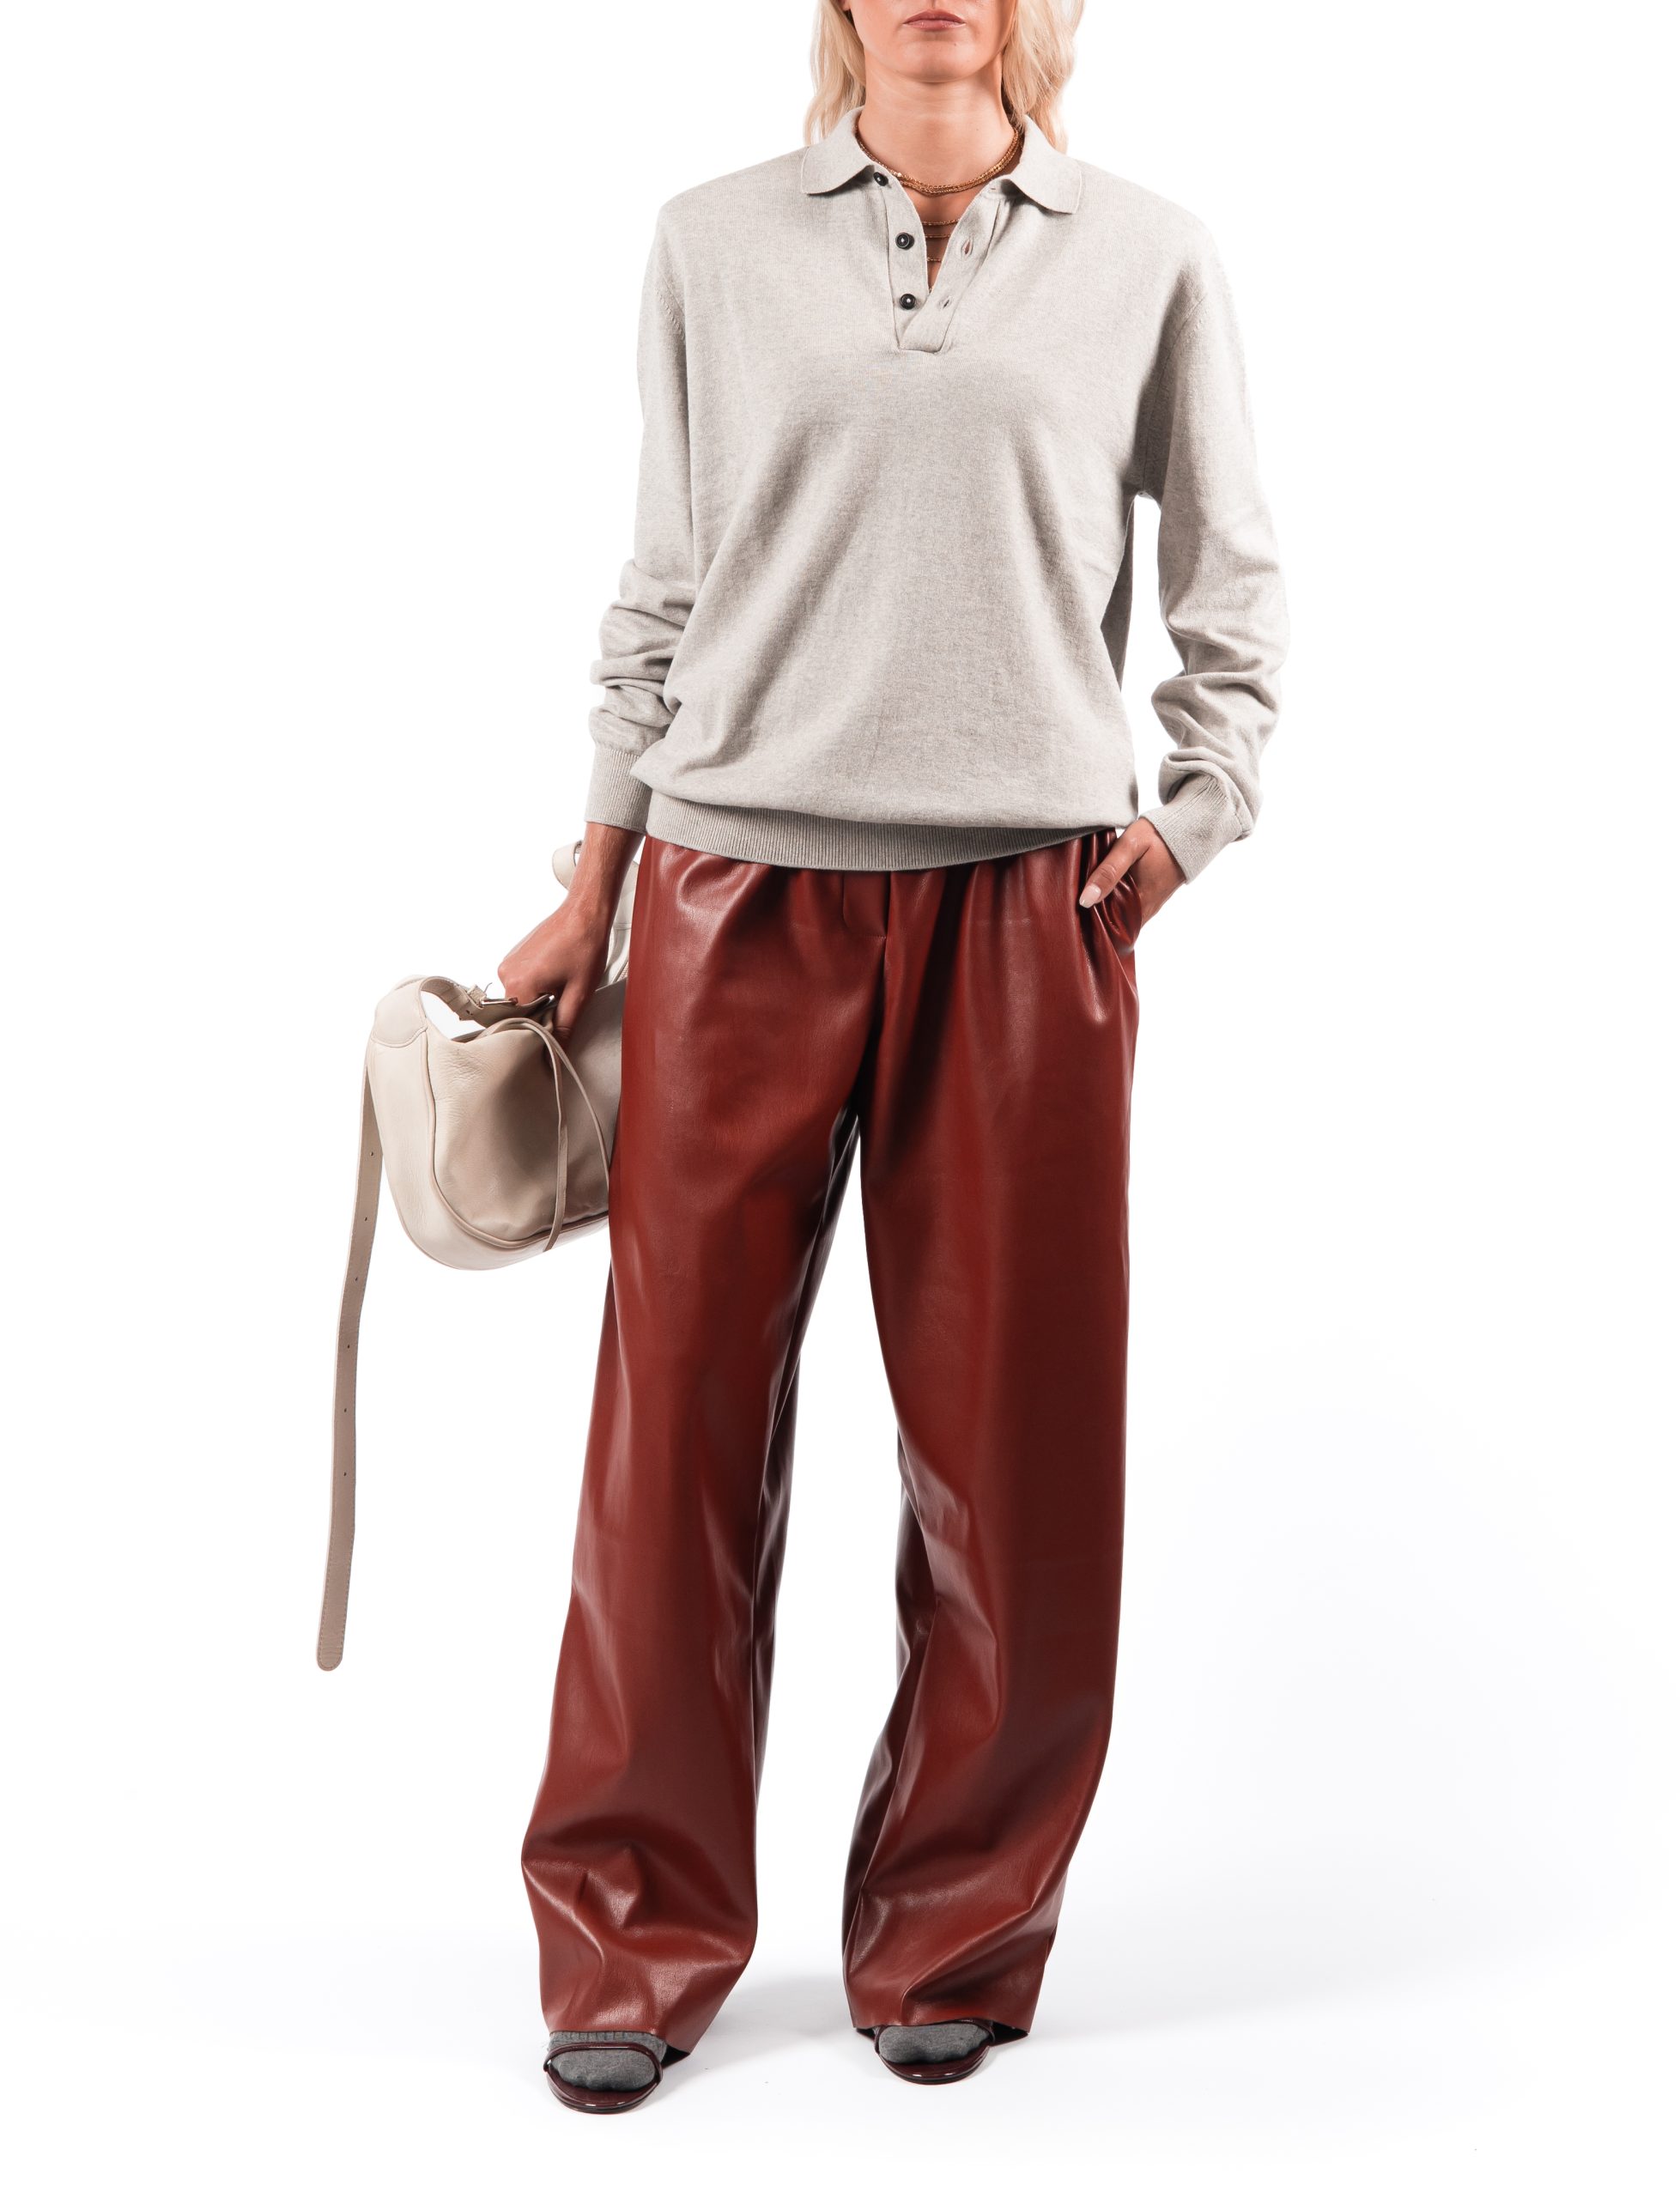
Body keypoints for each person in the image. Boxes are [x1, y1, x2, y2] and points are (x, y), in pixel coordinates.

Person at [498, 0, 1288, 2112]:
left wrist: (1190, 818)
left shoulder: (1150, 252)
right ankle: (627, 1932)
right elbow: (663, 583)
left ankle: (955, 1924)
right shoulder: (710, 239)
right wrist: (596, 877)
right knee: (670, 1444)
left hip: (1032, 910)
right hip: (730, 897)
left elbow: (1233, 580)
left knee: (1014, 1451)